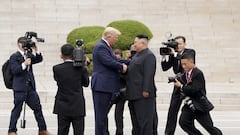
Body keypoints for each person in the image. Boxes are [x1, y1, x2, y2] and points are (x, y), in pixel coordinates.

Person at [8, 37, 52, 135]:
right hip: (19, 88)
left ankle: (42, 129)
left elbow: (39, 59)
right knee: (17, 110)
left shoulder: (28, 55)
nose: (26, 45)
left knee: (37, 108)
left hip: (30, 87)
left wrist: (36, 49)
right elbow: (15, 70)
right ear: (19, 44)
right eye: (24, 43)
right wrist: (24, 64)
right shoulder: (14, 56)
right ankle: (11, 130)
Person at [91, 27, 128, 135]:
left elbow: (114, 59)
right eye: (116, 37)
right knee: (101, 116)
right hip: (102, 85)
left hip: (105, 86)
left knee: (102, 115)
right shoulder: (101, 47)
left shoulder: (105, 46)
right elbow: (108, 61)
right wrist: (122, 67)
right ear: (109, 36)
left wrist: (130, 62)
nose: (116, 40)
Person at [174, 53, 222, 135]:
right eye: (182, 64)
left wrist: (181, 86)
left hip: (199, 104)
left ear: (192, 62)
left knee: (209, 127)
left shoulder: (198, 73)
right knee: (184, 122)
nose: (183, 66)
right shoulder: (185, 74)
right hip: (189, 104)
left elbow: (194, 89)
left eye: (185, 64)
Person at [161, 36, 195, 135]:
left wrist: (175, 54)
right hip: (177, 85)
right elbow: (165, 68)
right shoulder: (173, 55)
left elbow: (187, 61)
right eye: (176, 44)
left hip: (189, 85)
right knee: (172, 110)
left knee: (193, 111)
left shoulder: (190, 52)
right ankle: (168, 133)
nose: (178, 46)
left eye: (180, 44)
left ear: (185, 44)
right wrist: (164, 57)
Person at [52, 44, 89, 135]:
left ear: (61, 55)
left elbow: (58, 81)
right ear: (74, 54)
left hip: (62, 104)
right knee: (79, 132)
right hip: (77, 105)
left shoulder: (57, 68)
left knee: (62, 131)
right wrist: (85, 66)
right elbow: (86, 83)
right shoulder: (81, 69)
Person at [126, 34, 157, 135]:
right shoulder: (137, 55)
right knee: (136, 124)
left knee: (145, 123)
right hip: (133, 94)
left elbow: (149, 74)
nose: (134, 45)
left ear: (143, 43)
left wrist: (146, 89)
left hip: (143, 95)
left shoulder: (149, 55)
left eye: (136, 42)